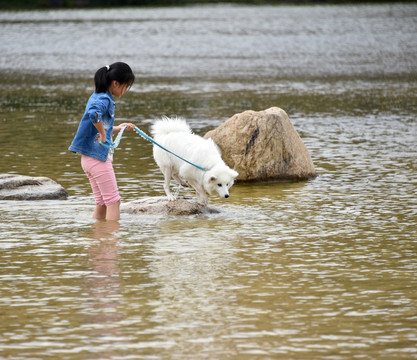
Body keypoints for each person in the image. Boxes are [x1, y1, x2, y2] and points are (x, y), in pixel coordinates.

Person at [69, 62, 135, 221]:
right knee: (114, 201)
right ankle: (112, 241)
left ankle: (98, 238)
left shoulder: (98, 96)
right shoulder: (104, 99)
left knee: (102, 203)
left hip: (88, 160)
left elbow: (100, 123)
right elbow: (94, 115)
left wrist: (119, 127)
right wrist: (103, 134)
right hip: (98, 160)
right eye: (126, 86)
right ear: (115, 83)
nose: (125, 91)